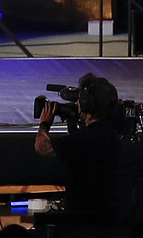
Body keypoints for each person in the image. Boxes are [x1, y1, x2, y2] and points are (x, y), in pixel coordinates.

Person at [33, 72, 124, 225]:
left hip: (80, 217)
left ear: (86, 104)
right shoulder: (111, 134)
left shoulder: (84, 139)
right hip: (106, 214)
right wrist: (73, 124)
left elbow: (42, 148)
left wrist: (44, 124)